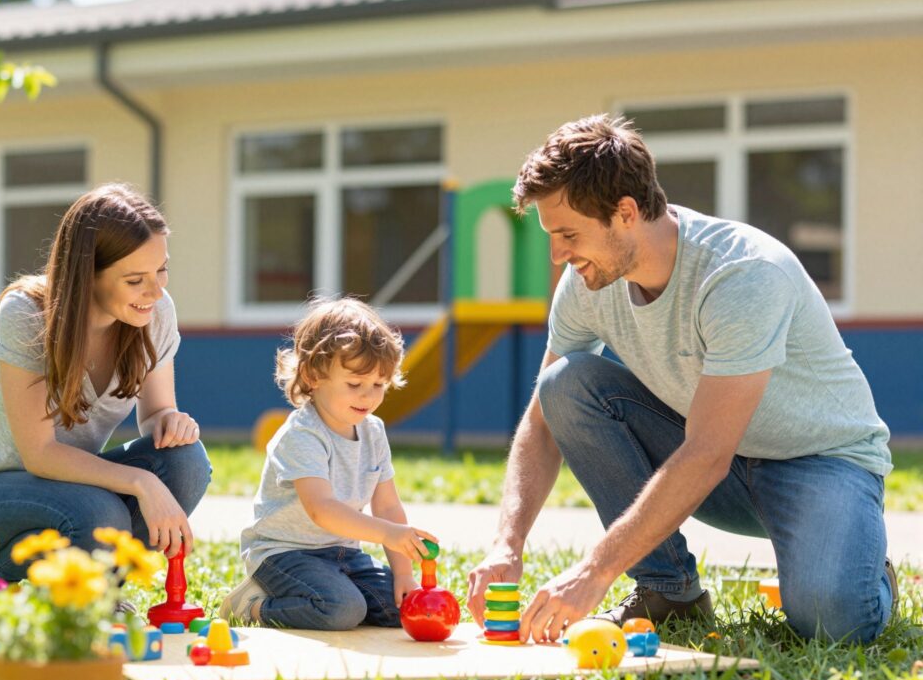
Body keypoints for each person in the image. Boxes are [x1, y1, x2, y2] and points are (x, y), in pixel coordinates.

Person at [467, 114, 896, 644]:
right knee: (563, 385)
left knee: (835, 623)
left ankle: (865, 565)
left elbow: (708, 452)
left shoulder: (742, 273)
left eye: (568, 235)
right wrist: (507, 545)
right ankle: (669, 592)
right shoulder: (587, 282)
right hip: (720, 468)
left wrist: (595, 571)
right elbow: (541, 422)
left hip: (819, 463)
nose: (558, 255)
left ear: (625, 213)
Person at [0, 183, 211, 581]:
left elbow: (156, 414)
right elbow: (40, 454)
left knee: (186, 462)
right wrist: (141, 481)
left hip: (71, 485)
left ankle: (98, 587)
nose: (155, 291)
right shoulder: (27, 314)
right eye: (135, 280)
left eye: (162, 270)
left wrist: (170, 421)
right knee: (100, 513)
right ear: (88, 275)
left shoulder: (155, 313)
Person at [219, 297, 437, 630]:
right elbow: (321, 509)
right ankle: (253, 606)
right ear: (313, 376)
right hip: (283, 554)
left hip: (343, 554)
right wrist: (388, 534)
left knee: (402, 609)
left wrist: (404, 575)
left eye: (378, 384)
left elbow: (388, 507)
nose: (368, 396)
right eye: (355, 384)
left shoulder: (373, 431)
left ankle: (333, 593)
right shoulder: (303, 434)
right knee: (342, 609)